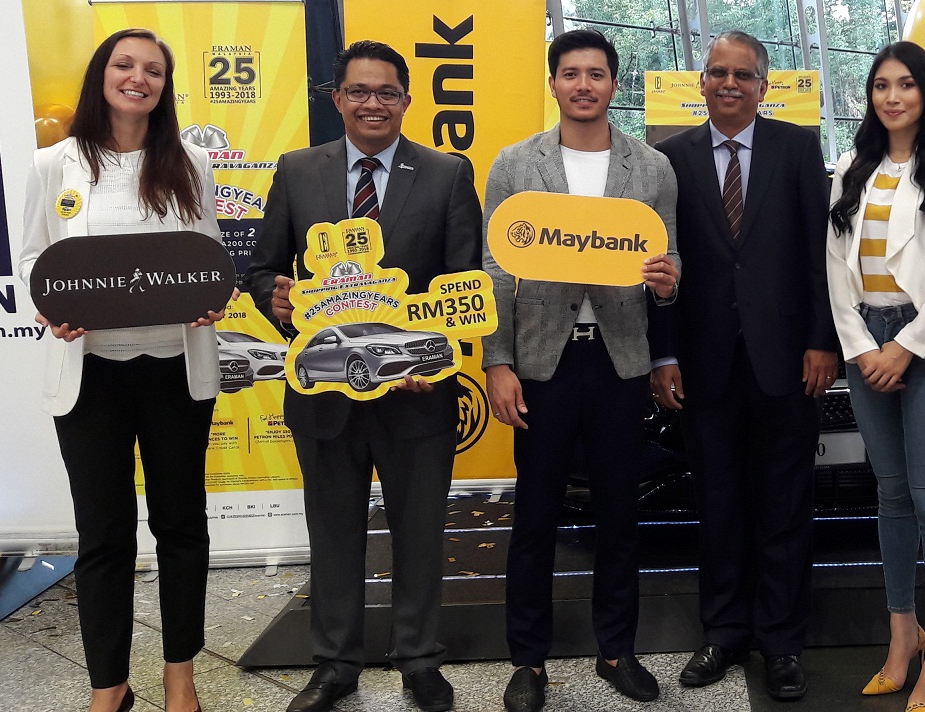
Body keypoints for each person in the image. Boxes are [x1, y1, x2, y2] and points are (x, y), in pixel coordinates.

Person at [245, 40, 481, 712]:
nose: (372, 103)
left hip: (417, 394)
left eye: (386, 92)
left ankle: (420, 660)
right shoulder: (297, 170)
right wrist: (275, 299)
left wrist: (429, 356)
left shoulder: (446, 173)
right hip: (324, 390)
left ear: (406, 100)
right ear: (337, 99)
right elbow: (261, 268)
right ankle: (335, 665)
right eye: (359, 91)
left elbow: (463, 282)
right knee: (333, 534)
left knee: (420, 534)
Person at [17, 28, 226, 712]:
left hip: (175, 369)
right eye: (124, 65)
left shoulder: (191, 161)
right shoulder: (54, 164)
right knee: (103, 534)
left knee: (181, 526)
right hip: (91, 375)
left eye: (153, 71)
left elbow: (208, 253)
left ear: (165, 87)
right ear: (101, 75)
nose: (138, 78)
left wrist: (211, 296)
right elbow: (32, 258)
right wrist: (51, 308)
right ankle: (108, 686)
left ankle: (180, 676)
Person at [480, 28, 680, 712]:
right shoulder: (515, 164)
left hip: (619, 361)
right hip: (542, 362)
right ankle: (527, 661)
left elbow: (672, 263)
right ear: (554, 83)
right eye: (571, 73)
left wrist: (668, 282)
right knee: (535, 516)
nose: (584, 84)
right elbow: (494, 267)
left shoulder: (651, 168)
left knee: (620, 513)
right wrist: (497, 362)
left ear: (614, 84)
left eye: (596, 74)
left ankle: (616, 650)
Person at [651, 29, 835, 701]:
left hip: (787, 360)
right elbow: (658, 265)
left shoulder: (797, 149)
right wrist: (664, 352)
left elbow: (820, 251)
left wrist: (822, 341)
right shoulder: (669, 160)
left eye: (742, 75)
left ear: (763, 86)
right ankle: (723, 632)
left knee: (785, 505)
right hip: (703, 365)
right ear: (700, 82)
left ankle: (782, 642)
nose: (729, 84)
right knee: (718, 502)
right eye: (717, 73)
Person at [824, 41, 925, 712]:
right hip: (865, 341)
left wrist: (907, 347)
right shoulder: (849, 165)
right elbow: (834, 266)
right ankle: (902, 635)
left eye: (906, 84)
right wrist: (863, 347)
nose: (893, 97)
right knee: (890, 493)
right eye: (881, 85)